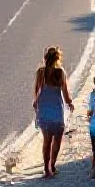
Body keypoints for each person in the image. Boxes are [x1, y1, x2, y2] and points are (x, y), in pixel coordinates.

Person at [33, 46, 74, 178]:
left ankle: (46, 168)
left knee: (47, 140)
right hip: (57, 109)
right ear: (58, 58)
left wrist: (36, 103)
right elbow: (65, 93)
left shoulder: (41, 72)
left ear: (45, 58)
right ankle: (53, 166)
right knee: (57, 139)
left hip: (44, 109)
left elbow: (37, 90)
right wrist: (70, 103)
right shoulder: (60, 72)